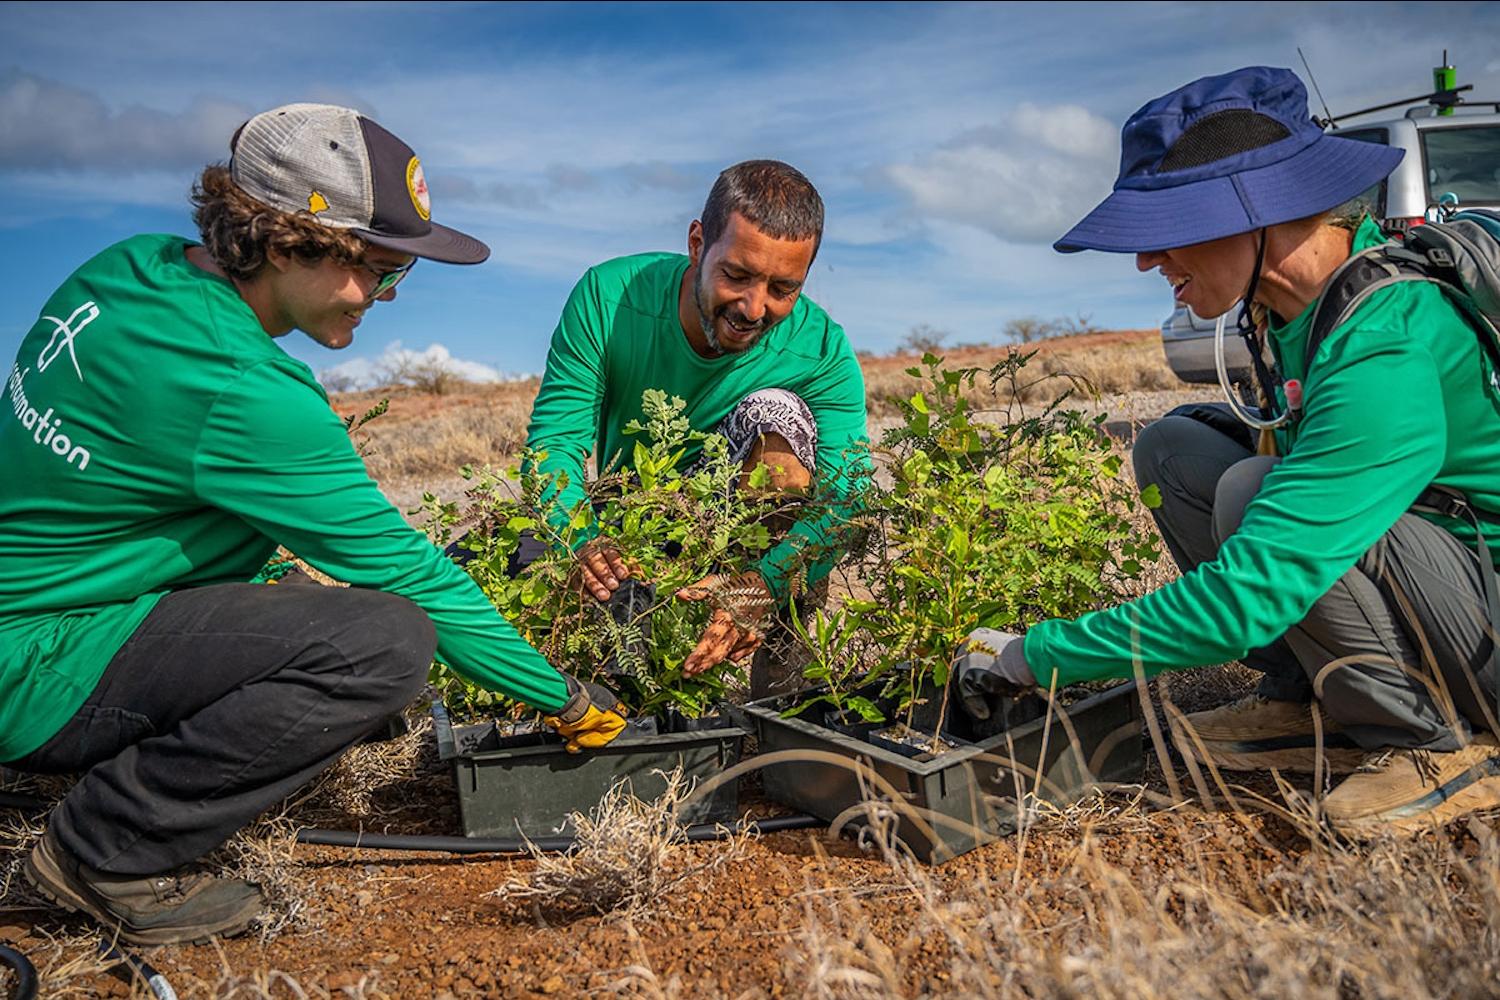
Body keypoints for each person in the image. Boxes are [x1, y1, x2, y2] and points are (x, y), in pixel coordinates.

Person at [0, 103, 625, 945]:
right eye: (376, 268)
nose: (382, 297)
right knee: (382, 643)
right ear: (288, 243)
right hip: (32, 666)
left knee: (295, 600)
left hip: (40, 604)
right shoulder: (243, 389)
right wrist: (566, 699)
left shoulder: (129, 268)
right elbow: (410, 575)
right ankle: (104, 852)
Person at [955, 66, 1500, 836]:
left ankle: (1430, 745)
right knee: (1176, 448)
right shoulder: (1289, 311)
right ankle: (1306, 699)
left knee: (1255, 490)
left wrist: (1029, 656)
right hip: (1444, 582)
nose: (1147, 262)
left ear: (1256, 213)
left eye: (1168, 231)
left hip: (1487, 629)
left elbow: (1249, 593)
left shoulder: (1388, 336)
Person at [522, 160, 870, 693]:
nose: (754, 308)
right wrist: (585, 546)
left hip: (743, 541)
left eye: (783, 288)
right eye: (736, 275)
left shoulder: (821, 348)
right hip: (629, 524)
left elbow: (848, 497)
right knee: (477, 565)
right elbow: (555, 445)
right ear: (696, 243)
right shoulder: (609, 297)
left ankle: (782, 698)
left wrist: (765, 583)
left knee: (778, 413)